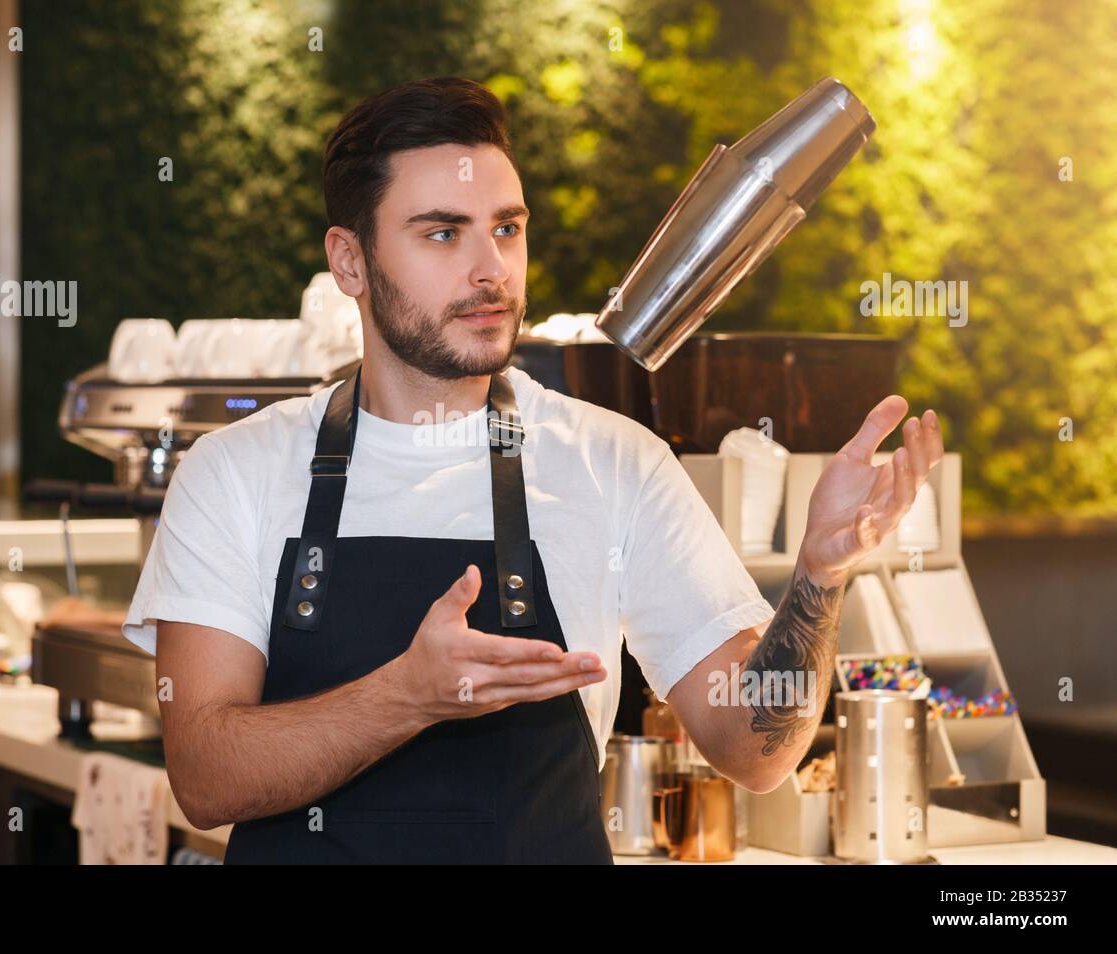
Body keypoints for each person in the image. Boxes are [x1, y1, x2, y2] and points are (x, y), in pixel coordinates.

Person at [122, 76, 944, 864]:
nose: (491, 271)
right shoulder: (236, 471)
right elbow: (204, 774)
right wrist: (409, 696)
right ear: (350, 262)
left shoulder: (616, 464)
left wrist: (819, 577)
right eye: (443, 233)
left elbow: (754, 750)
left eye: (507, 229)